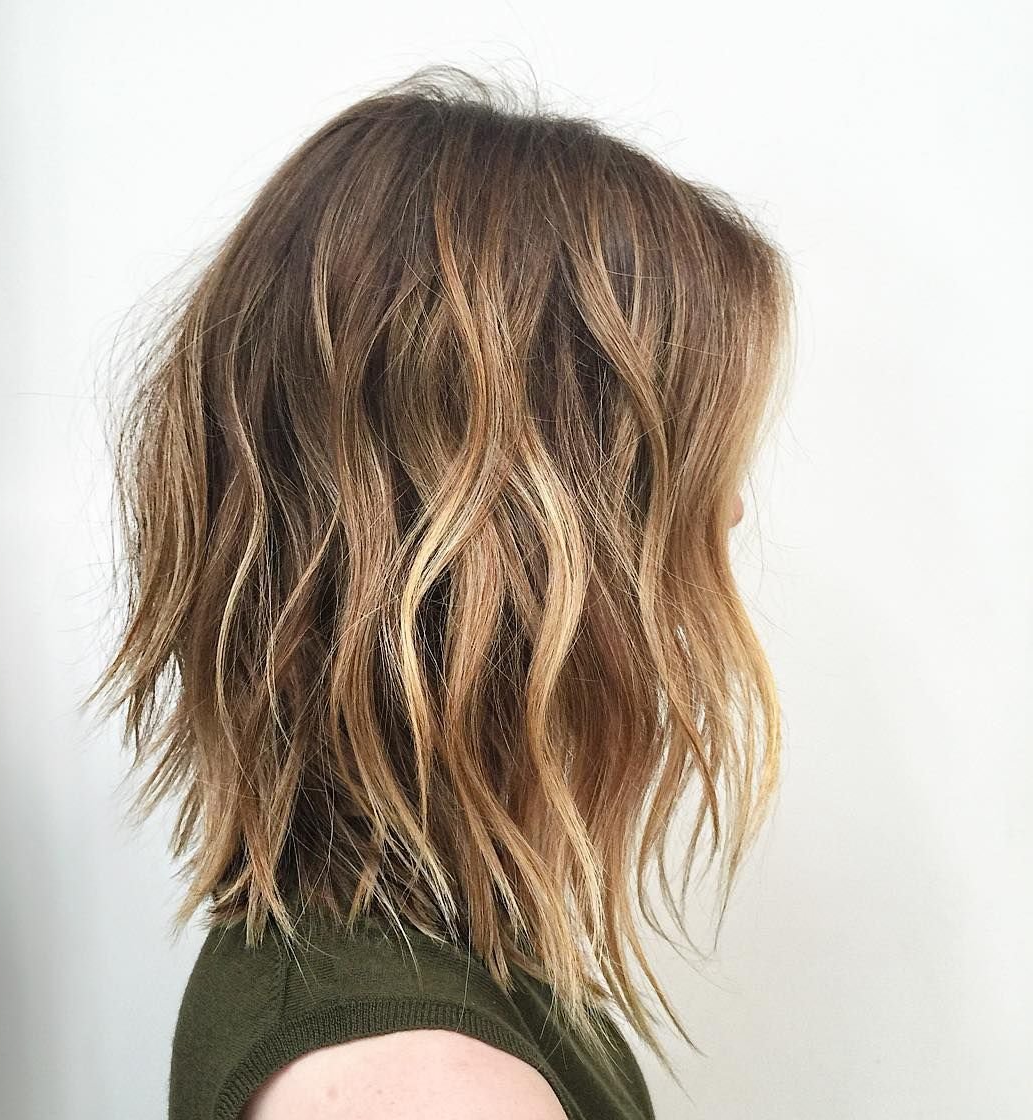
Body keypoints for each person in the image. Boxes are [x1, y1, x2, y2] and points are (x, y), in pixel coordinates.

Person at [85, 63, 795, 1120]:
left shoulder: (381, 965)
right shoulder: (426, 1084)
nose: (730, 510)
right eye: (688, 464)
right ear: (532, 536)